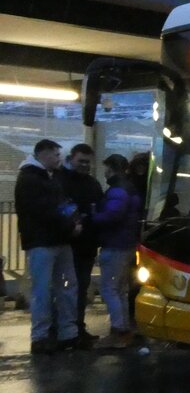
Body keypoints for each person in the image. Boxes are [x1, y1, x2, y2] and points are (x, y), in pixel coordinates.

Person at [14, 139, 84, 354]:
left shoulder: (39, 178)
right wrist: (73, 223)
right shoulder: (32, 180)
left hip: (47, 241)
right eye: (55, 155)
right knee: (57, 288)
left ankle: (52, 334)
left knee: (47, 289)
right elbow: (48, 210)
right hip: (47, 241)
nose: (59, 159)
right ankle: (54, 334)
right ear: (42, 154)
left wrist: (72, 221)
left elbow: (56, 206)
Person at [91, 154, 141, 348]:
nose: (104, 173)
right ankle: (125, 329)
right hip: (127, 244)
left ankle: (118, 331)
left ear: (111, 168)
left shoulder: (118, 189)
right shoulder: (130, 188)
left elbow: (113, 214)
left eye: (106, 169)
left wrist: (93, 216)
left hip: (115, 244)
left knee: (109, 289)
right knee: (120, 289)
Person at [60, 143, 104, 342]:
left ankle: (75, 328)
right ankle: (69, 329)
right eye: (81, 161)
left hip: (84, 245)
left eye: (87, 162)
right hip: (70, 244)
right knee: (69, 290)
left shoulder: (90, 184)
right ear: (72, 159)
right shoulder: (65, 182)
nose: (85, 165)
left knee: (78, 289)